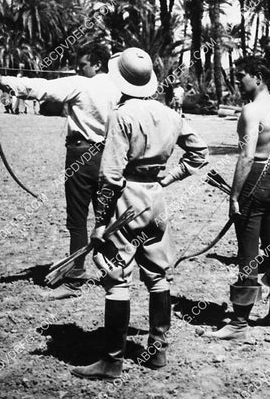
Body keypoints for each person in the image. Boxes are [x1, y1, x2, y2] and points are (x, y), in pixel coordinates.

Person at [71, 48, 208, 380]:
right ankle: (157, 350)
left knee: (116, 277)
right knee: (158, 275)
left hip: (126, 201)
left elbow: (109, 176)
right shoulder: (170, 114)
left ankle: (112, 360)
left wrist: (101, 222)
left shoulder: (122, 114)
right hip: (155, 200)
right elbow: (200, 153)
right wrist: (168, 177)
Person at [0, 44, 120, 299]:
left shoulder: (83, 84)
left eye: (82, 65)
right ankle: (114, 275)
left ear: (97, 65)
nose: (78, 69)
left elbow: (43, 88)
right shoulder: (117, 88)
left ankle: (74, 280)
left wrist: (3, 81)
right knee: (107, 220)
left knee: (77, 220)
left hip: (82, 155)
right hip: (111, 157)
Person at [206, 56, 270, 340]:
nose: (236, 80)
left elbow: (246, 156)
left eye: (240, 75)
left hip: (254, 178)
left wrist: (234, 196)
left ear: (258, 77)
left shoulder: (251, 110)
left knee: (248, 251)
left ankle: (239, 323)